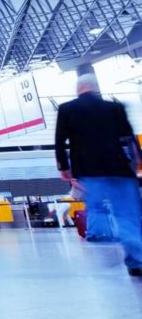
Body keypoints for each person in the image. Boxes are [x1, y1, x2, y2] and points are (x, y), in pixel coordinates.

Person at [55, 74, 142, 277]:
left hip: (90, 171)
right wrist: (138, 162)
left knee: (98, 209)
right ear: (96, 88)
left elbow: (60, 141)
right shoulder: (115, 108)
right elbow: (129, 139)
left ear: (79, 88)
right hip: (120, 169)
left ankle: (104, 238)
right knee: (127, 216)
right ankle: (136, 261)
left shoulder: (68, 109)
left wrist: (63, 167)